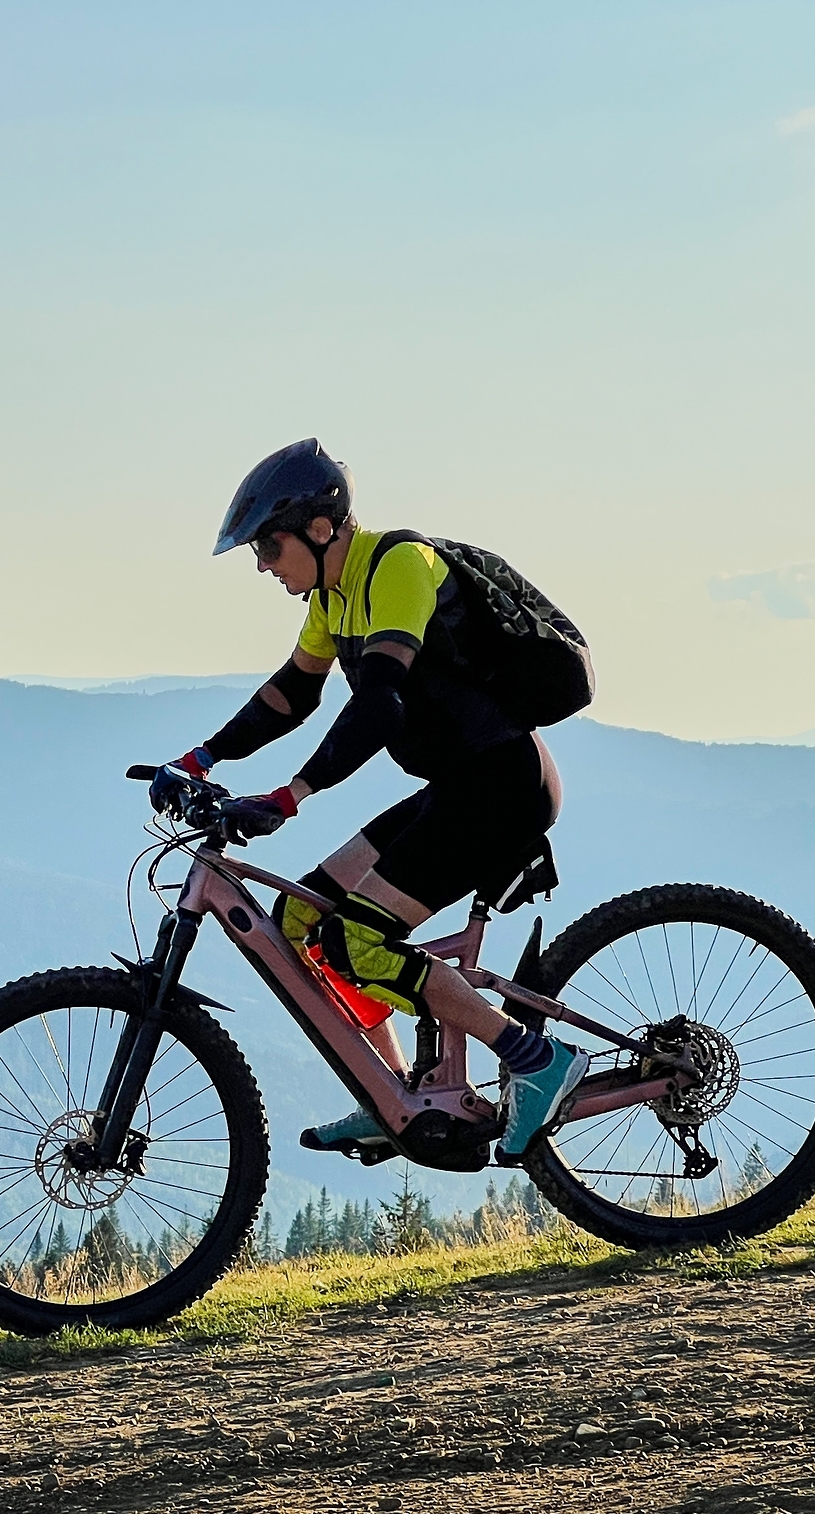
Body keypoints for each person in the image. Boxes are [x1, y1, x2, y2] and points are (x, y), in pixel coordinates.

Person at [152, 438, 587, 1165]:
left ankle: (537, 1061)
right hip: (457, 787)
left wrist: (290, 795)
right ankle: (391, 1094)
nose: (263, 564)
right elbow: (289, 696)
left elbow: (378, 704)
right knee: (299, 919)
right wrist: (197, 758)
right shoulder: (332, 594)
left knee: (357, 940)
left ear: (321, 528)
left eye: (269, 544)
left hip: (502, 786)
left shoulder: (398, 567)